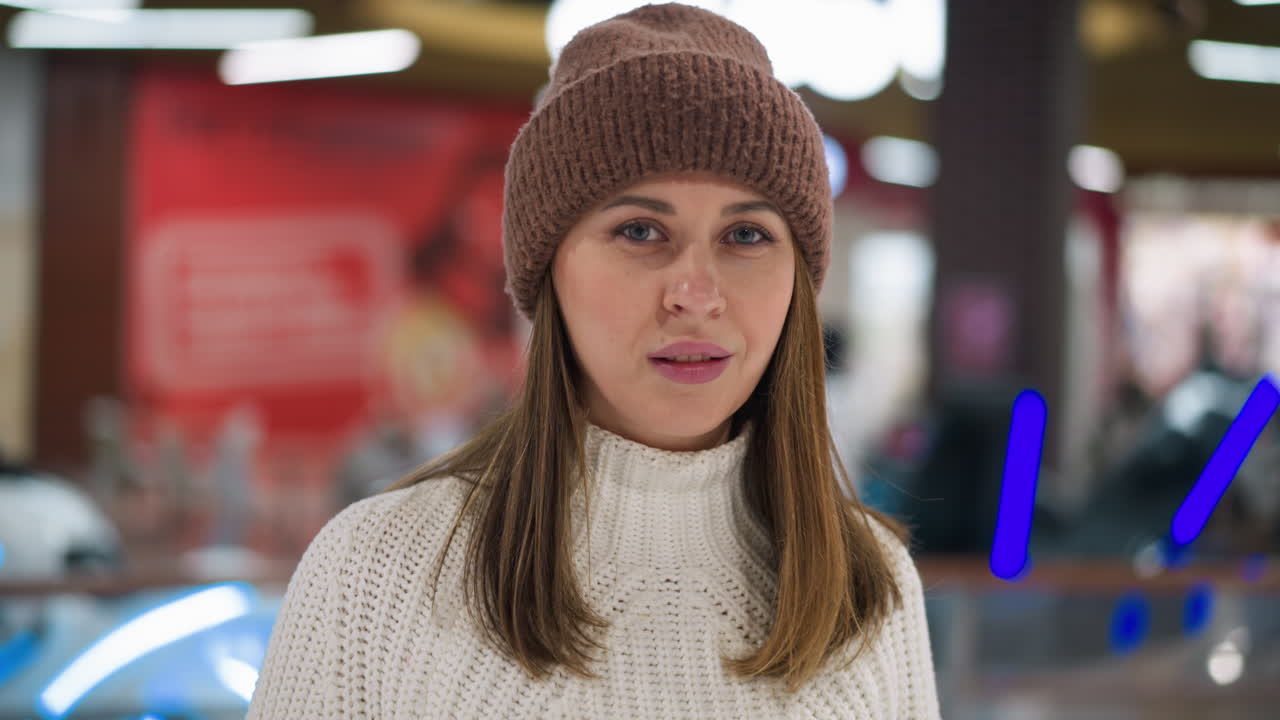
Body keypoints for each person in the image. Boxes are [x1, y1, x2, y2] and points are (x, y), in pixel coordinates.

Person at [247, 4, 940, 717]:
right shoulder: (375, 572)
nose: (696, 295)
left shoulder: (869, 585)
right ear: (552, 273)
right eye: (640, 230)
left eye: (747, 235)